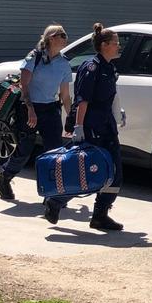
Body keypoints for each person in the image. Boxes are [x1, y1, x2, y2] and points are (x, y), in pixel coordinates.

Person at [0, 25, 73, 205]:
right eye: (61, 35)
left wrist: (72, 118)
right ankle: (4, 178)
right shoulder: (34, 57)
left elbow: (65, 95)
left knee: (53, 152)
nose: (65, 38)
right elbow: (24, 86)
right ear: (51, 38)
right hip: (29, 108)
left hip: (51, 110)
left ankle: (51, 193)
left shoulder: (63, 63)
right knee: (25, 149)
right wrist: (30, 109)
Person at [63, 23, 125, 231]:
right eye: (116, 43)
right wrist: (79, 126)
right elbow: (83, 100)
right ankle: (56, 202)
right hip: (91, 125)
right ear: (105, 45)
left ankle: (100, 214)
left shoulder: (110, 67)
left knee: (114, 170)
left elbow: (112, 95)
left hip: (106, 124)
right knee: (87, 169)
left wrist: (119, 112)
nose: (119, 46)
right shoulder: (92, 67)